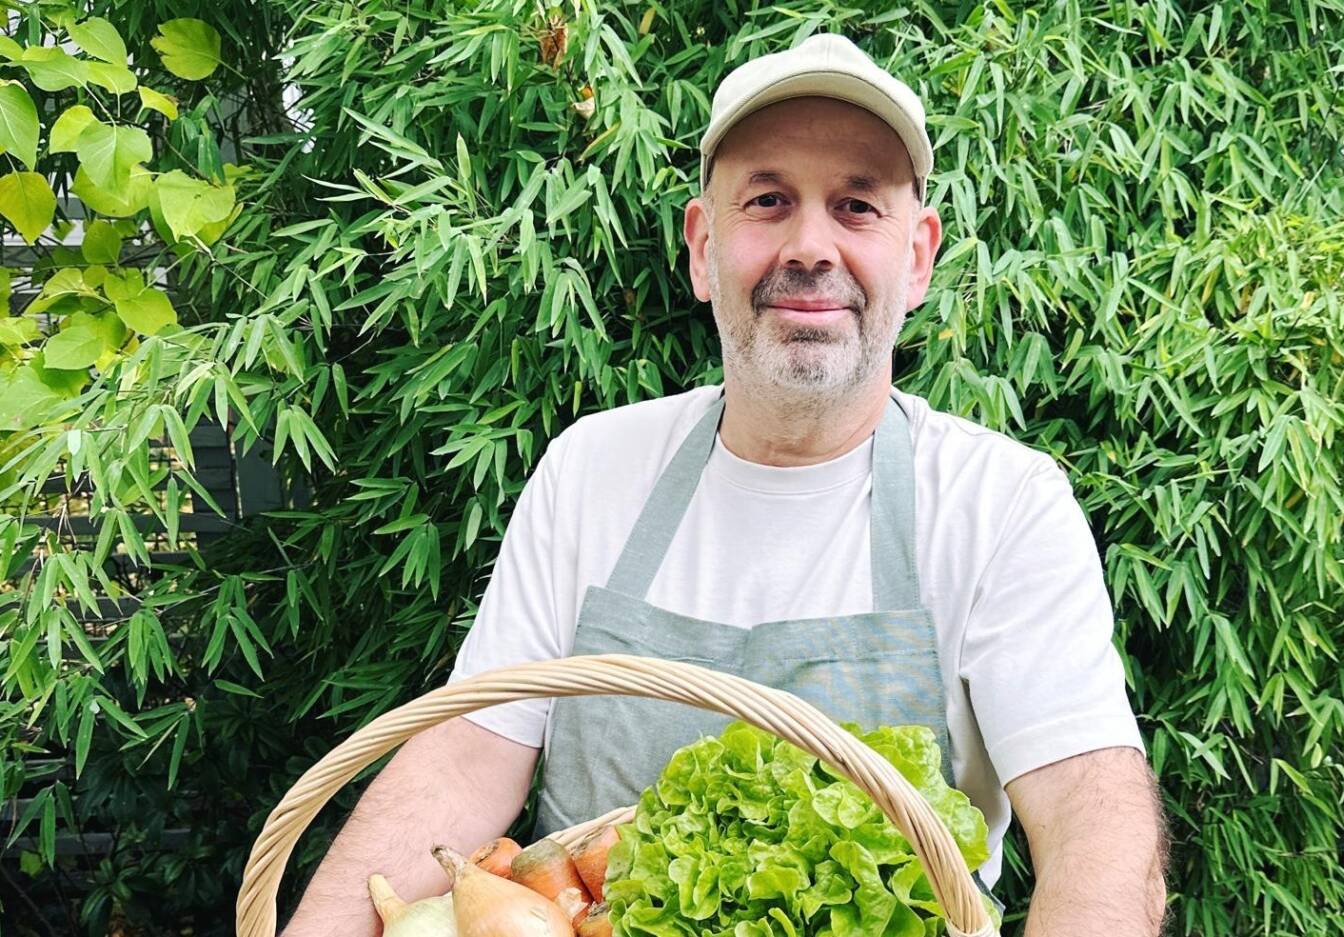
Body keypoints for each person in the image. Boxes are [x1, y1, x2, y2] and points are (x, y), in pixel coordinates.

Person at [280, 33, 1168, 937]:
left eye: (857, 205)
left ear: (919, 255)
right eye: (769, 200)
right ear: (704, 247)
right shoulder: (593, 468)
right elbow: (467, 756)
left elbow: (1091, 812)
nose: (811, 246)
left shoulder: (1001, 502)